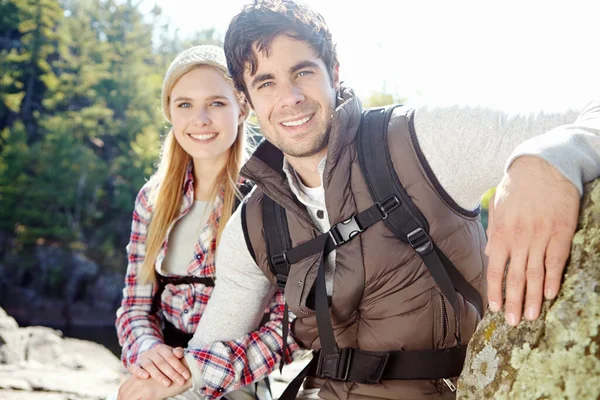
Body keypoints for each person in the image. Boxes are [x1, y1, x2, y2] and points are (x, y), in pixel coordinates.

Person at [146, 1, 600, 399]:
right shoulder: (253, 225)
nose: (290, 98)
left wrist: (545, 161)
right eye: (265, 83)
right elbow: (207, 365)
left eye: (302, 71)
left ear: (334, 71)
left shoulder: (424, 141)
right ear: (245, 101)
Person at [114, 45, 301, 400]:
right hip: (158, 380)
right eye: (184, 104)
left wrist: (196, 371)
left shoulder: (272, 203)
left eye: (216, 103)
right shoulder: (152, 201)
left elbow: (294, 329)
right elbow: (135, 308)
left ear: (242, 108)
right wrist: (148, 354)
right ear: (169, 111)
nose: (200, 120)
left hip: (232, 386)